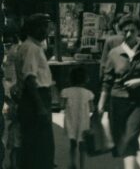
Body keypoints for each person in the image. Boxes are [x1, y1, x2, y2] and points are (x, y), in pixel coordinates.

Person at [99, 14, 140, 169]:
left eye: (132, 31)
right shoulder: (114, 53)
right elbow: (106, 81)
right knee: (120, 143)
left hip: (139, 102)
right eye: (125, 31)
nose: (128, 34)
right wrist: (100, 105)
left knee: (130, 139)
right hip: (117, 101)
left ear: (138, 31)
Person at [13, 14, 54, 169]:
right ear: (33, 29)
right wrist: (40, 107)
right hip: (35, 99)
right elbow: (30, 79)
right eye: (42, 26)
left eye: (47, 26)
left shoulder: (33, 46)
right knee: (39, 146)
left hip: (33, 99)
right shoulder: (31, 48)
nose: (46, 30)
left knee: (33, 145)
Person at [61, 66, 94, 169]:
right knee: (82, 145)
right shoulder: (88, 93)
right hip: (83, 120)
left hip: (71, 119)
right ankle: (82, 166)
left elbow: (62, 105)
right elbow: (92, 108)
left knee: (72, 143)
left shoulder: (65, 91)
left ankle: (72, 163)